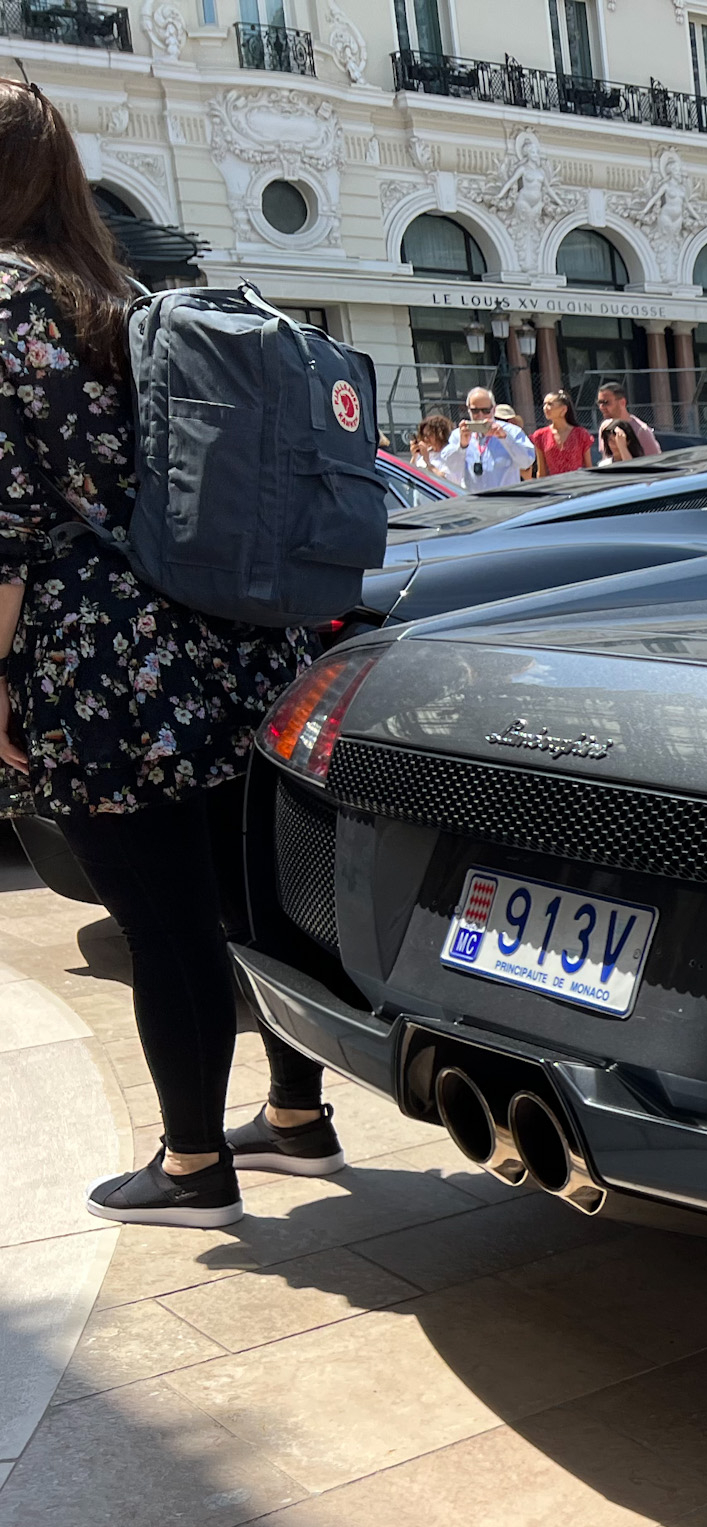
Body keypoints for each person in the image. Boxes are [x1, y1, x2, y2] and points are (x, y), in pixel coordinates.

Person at [0, 80, 340, 1226]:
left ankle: (192, 1165)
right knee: (251, 893)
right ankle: (297, 1113)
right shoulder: (122, 291)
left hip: (101, 653)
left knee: (162, 914)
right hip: (233, 630)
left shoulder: (1, 304)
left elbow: (5, 531)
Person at [435, 386, 536, 492]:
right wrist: (462, 446)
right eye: (475, 411)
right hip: (474, 501)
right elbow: (450, 467)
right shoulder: (459, 434)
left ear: (494, 409)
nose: (480, 415)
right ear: (468, 410)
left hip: (506, 500)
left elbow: (526, 461)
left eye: (486, 411)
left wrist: (505, 439)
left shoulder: (511, 431)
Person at [531, 390, 593, 477]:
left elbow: (588, 467)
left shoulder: (581, 434)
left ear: (563, 409)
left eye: (550, 404)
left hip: (578, 485)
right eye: (544, 404)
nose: (545, 408)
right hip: (554, 487)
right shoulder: (540, 436)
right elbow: (542, 471)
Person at [593, 381, 658, 456]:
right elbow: (606, 457)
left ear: (622, 402)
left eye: (606, 402)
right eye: (599, 403)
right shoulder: (604, 427)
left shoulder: (642, 430)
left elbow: (655, 461)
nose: (601, 407)